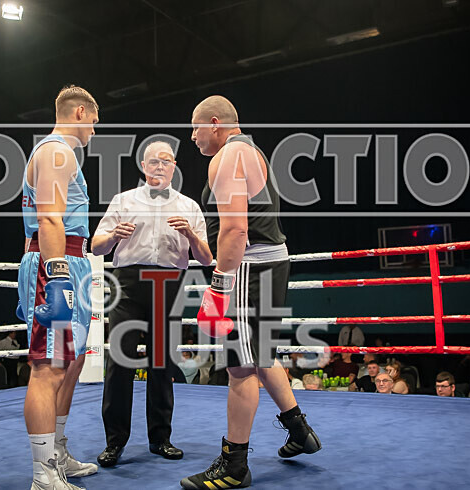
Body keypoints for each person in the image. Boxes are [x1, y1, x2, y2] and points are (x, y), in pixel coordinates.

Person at [181, 95, 321, 490]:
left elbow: (236, 230)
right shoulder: (250, 151)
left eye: (195, 127)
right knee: (260, 355)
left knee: (240, 366)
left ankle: (234, 464)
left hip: (251, 266)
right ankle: (299, 431)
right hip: (267, 264)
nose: (192, 136)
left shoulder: (227, 157)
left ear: (214, 122)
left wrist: (219, 287)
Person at [92, 140, 212, 467]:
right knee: (120, 363)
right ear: (143, 166)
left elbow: (206, 257)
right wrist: (114, 234)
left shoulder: (188, 206)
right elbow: (97, 246)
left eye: (165, 161)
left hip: (169, 283)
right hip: (127, 284)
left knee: (161, 364)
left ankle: (161, 439)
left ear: (174, 166)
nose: (159, 167)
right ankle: (114, 443)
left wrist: (190, 235)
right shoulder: (123, 200)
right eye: (153, 162)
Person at [17, 85, 99, 490]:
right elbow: (49, 220)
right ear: (80, 113)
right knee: (47, 367)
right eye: (95, 122)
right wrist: (58, 275)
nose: (94, 131)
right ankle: (43, 472)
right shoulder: (55, 151)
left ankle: (58, 454)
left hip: (72, 261)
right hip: (58, 263)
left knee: (71, 362)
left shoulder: (61, 155)